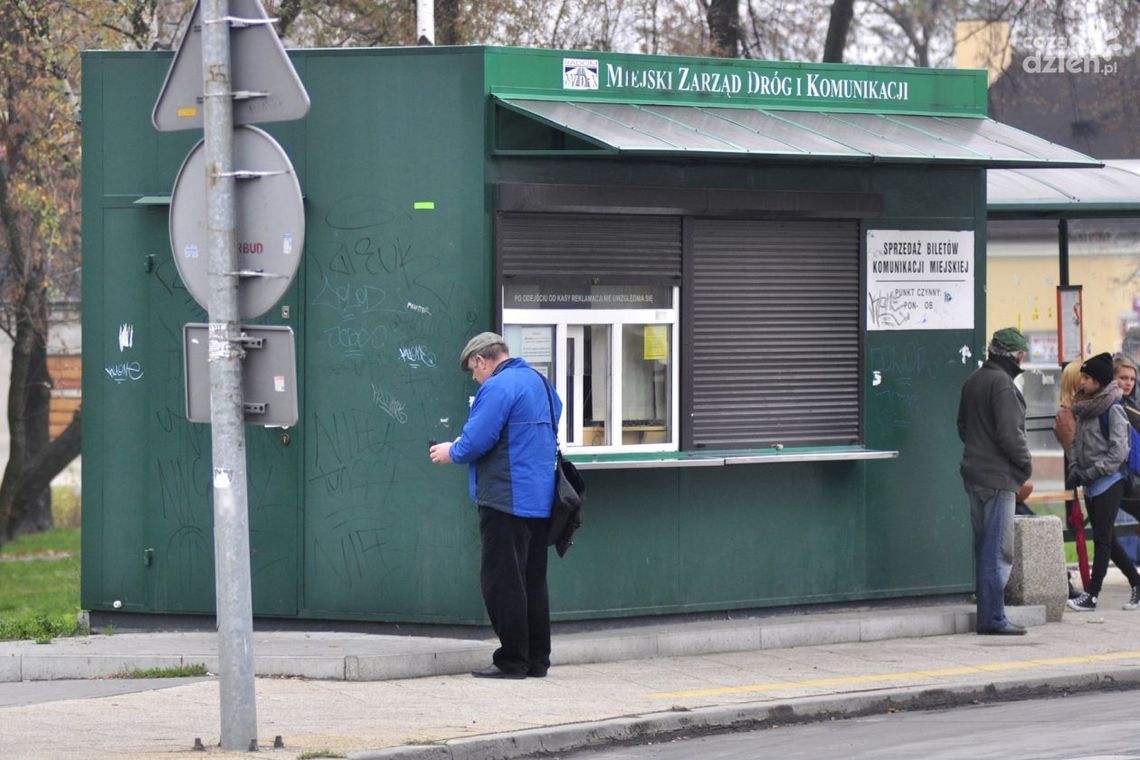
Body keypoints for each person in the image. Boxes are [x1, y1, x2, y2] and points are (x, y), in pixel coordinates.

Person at [428, 332, 561, 678]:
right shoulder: (540, 382)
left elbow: (477, 439)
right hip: (541, 499)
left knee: (502, 581)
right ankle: (536, 660)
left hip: (505, 498)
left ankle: (512, 660)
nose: (475, 378)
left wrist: (451, 451)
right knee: (533, 580)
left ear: (481, 360)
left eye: (473, 371)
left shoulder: (498, 387)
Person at [957, 327, 1032, 636]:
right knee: (997, 550)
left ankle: (989, 614)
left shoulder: (974, 380)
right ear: (1018, 355)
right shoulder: (1003, 385)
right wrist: (1025, 465)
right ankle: (993, 619)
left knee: (984, 546)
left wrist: (979, 447)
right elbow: (1010, 435)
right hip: (999, 477)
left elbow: (962, 426)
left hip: (974, 472)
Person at [1066, 352, 1140, 612]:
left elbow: (1118, 452)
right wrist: (1076, 468)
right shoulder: (1085, 407)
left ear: (1098, 381)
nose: (1082, 382)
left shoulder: (1114, 408)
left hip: (1110, 480)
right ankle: (1136, 582)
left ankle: (1092, 595)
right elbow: (1077, 443)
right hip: (1090, 481)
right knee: (1106, 536)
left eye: (1086, 378)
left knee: (1102, 539)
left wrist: (1093, 471)